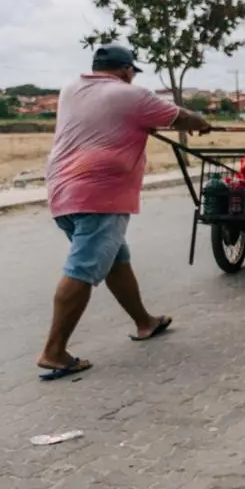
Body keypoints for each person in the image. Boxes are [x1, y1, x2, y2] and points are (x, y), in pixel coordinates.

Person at [37, 44, 211, 381]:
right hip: (100, 194)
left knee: (116, 257)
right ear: (127, 70)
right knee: (83, 267)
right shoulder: (131, 96)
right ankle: (54, 351)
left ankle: (144, 322)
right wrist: (202, 124)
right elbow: (183, 118)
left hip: (62, 190)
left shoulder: (71, 89)